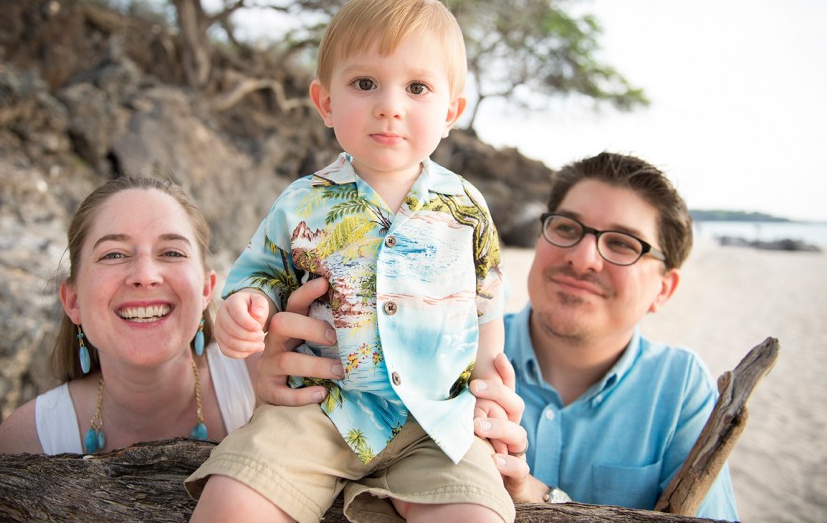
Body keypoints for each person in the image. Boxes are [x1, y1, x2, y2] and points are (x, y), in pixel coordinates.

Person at [252, 152, 740, 520]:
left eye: (621, 244)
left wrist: (535, 496)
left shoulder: (679, 388)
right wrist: (280, 379)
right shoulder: (437, 349)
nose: (584, 257)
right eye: (567, 228)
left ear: (664, 288)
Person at [187, 0, 513, 523]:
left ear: (452, 110)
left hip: (434, 423)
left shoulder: (467, 209)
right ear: (326, 102)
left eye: (417, 87)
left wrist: (487, 390)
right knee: (234, 500)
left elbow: (486, 305)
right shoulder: (302, 202)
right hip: (319, 410)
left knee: (475, 514)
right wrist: (245, 308)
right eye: (365, 83)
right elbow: (263, 275)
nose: (390, 104)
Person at [0, 177, 255, 455]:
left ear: (205, 289)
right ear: (73, 300)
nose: (144, 276)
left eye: (172, 252)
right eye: (114, 255)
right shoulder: (27, 441)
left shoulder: (263, 380)